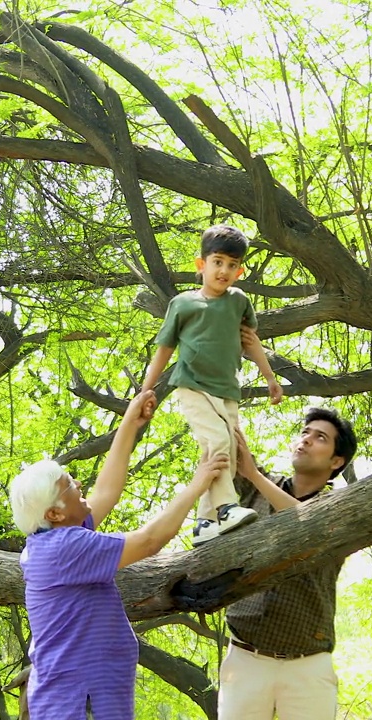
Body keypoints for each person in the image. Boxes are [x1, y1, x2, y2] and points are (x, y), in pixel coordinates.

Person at [10, 389, 227, 720]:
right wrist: (197, 484)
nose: (80, 484)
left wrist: (130, 422)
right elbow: (151, 540)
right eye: (70, 485)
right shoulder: (65, 549)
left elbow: (107, 491)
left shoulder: (55, 540)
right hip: (77, 702)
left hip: (90, 695)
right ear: (53, 513)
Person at [139, 224, 284, 545]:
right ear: (201, 264)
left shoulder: (238, 302)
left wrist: (270, 378)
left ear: (240, 270)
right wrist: (147, 388)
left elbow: (251, 341)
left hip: (227, 392)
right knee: (218, 441)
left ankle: (204, 524)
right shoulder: (184, 304)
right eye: (218, 262)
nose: (224, 270)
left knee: (224, 455)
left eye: (232, 265)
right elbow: (165, 347)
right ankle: (227, 507)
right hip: (192, 386)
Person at [218, 406, 358, 720]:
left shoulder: (341, 506)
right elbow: (223, 444)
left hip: (308, 665)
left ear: (337, 461)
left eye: (319, 437)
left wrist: (252, 473)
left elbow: (306, 526)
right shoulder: (257, 487)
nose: (306, 440)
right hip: (245, 658)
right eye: (304, 432)